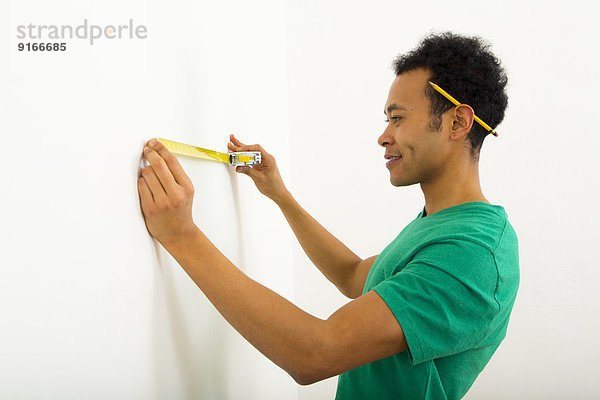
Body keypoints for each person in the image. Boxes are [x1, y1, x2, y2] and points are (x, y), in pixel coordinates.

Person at [137, 31, 519, 399]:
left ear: (458, 122)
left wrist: (182, 237)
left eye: (397, 118)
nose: (383, 136)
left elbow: (315, 354)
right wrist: (280, 194)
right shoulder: (441, 224)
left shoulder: (472, 252)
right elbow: (353, 276)